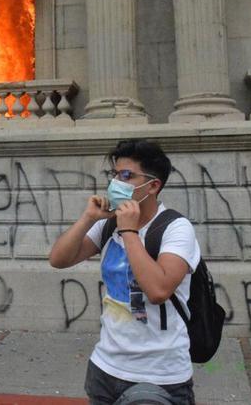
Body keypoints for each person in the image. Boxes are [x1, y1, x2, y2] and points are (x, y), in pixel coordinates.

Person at [48, 139, 201, 405]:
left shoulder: (176, 228)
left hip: (159, 375)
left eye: (127, 175)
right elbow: (59, 259)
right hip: (105, 367)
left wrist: (129, 231)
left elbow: (158, 291)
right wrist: (88, 218)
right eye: (115, 174)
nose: (116, 182)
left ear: (153, 185)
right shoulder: (109, 224)